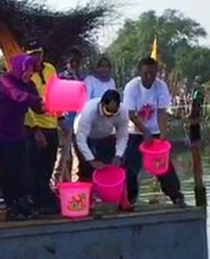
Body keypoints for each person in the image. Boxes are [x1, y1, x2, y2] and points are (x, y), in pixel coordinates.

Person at [0, 54, 44, 220]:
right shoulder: (6, 81)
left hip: (17, 131)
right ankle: (12, 206)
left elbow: (37, 106)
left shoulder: (30, 84)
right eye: (27, 69)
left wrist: (48, 105)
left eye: (32, 69)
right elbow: (17, 95)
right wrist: (39, 100)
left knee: (23, 169)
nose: (29, 73)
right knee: (8, 169)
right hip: (0, 132)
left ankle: (23, 202)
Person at [123, 57, 185, 207]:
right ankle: (129, 198)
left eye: (152, 73)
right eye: (146, 73)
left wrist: (163, 134)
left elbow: (162, 112)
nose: (149, 77)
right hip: (135, 132)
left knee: (163, 166)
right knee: (131, 165)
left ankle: (175, 195)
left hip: (155, 130)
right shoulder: (132, 87)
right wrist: (144, 132)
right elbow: (131, 114)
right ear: (140, 72)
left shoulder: (160, 86)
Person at [74, 89, 132, 211]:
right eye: (107, 111)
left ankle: (120, 200)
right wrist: (91, 159)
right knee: (86, 169)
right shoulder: (89, 110)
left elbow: (122, 135)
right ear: (102, 104)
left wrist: (118, 154)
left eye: (113, 112)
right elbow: (81, 138)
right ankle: (86, 203)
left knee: (113, 167)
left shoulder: (123, 112)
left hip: (106, 135)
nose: (110, 115)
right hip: (84, 136)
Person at [23, 39, 61, 214]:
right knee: (34, 166)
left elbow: (56, 92)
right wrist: (35, 129)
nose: (36, 57)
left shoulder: (50, 69)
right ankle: (35, 200)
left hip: (52, 124)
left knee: (48, 165)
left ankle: (45, 200)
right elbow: (25, 105)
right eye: (32, 54)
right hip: (34, 126)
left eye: (38, 53)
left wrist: (60, 118)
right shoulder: (25, 73)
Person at [53, 49, 84, 186]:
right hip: (64, 119)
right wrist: (59, 119)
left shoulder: (82, 78)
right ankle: (59, 184)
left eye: (77, 61)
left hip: (78, 119)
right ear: (67, 63)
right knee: (63, 156)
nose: (74, 64)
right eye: (72, 61)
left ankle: (75, 185)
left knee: (78, 155)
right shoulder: (60, 78)